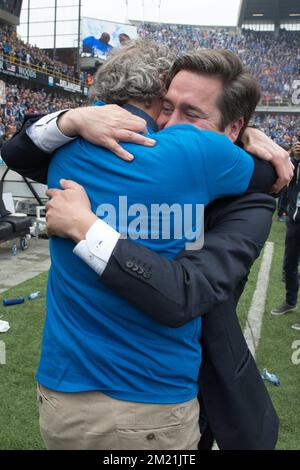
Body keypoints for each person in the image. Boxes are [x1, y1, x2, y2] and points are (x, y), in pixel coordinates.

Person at [2, 42, 293, 450]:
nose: (170, 124)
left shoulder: (248, 201)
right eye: (166, 107)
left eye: (190, 114)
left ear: (233, 128)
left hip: (181, 386)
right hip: (150, 405)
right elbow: (21, 148)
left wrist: (88, 229)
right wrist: (72, 119)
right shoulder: (131, 143)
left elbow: (183, 294)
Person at [271, 138, 300, 322]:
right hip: (295, 220)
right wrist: (295, 158)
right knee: (289, 264)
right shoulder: (296, 161)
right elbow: (287, 178)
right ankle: (290, 301)